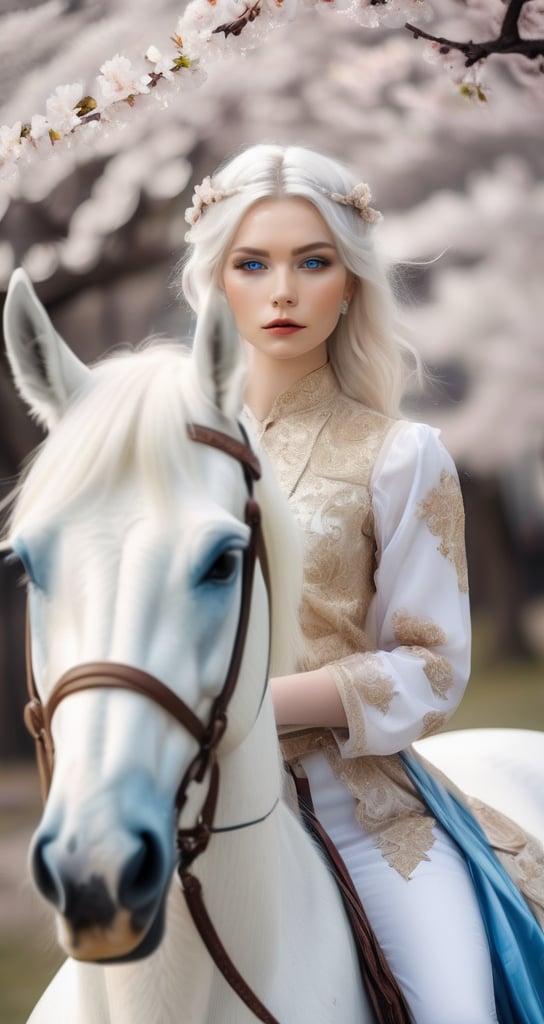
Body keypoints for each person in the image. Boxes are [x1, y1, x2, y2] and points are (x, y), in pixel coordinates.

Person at [180, 144, 544, 1023]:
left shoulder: (401, 456)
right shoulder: (169, 461)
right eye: (252, 263)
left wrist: (252, 705)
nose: (282, 291)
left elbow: (434, 672)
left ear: (349, 283)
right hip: (187, 815)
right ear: (215, 282)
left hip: (370, 823)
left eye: (314, 262)